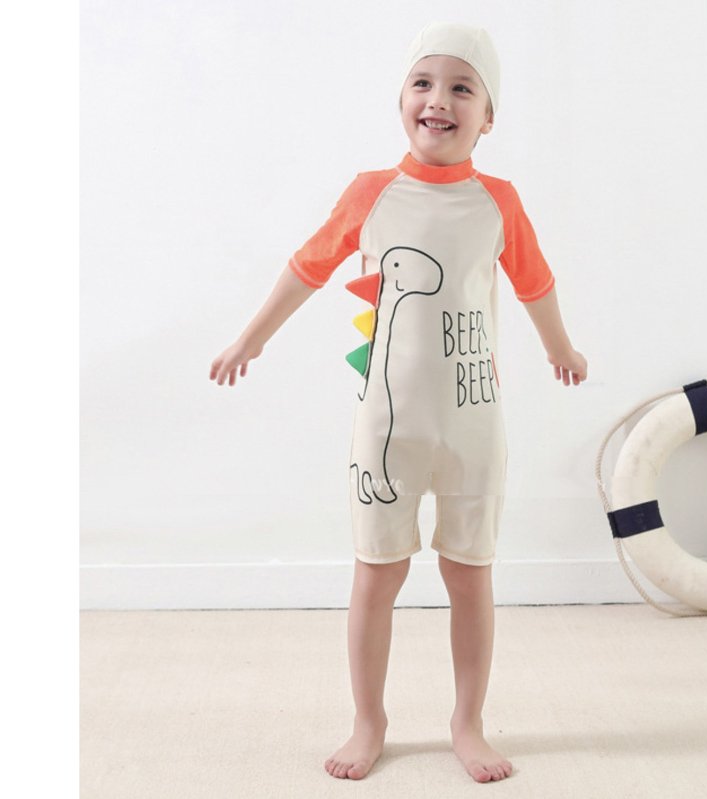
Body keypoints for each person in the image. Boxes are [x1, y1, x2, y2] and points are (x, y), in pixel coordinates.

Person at [210, 22, 587, 784]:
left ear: (489, 115)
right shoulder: (372, 192)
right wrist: (252, 337)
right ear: (402, 99)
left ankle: (467, 721)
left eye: (461, 87)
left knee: (468, 574)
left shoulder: (499, 202)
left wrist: (560, 347)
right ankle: (369, 719)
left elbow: (535, 282)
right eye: (423, 83)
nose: (438, 99)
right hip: (386, 429)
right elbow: (308, 267)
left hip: (474, 429)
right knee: (376, 573)